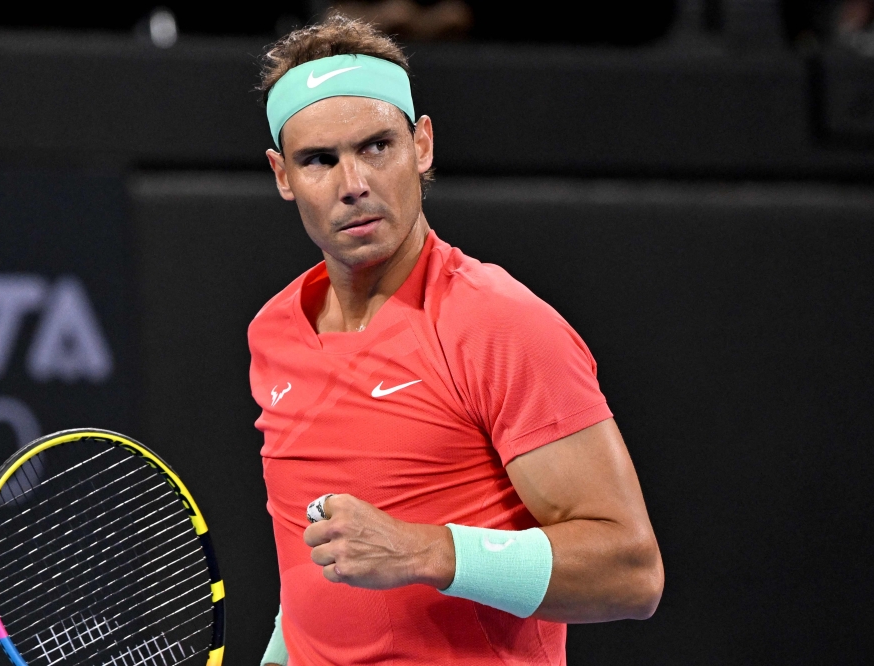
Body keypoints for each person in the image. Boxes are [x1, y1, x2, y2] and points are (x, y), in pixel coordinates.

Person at [248, 15, 663, 666]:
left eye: (376, 146)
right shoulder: (273, 332)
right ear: (282, 175)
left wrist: (426, 551)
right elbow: (314, 581)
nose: (353, 184)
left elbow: (632, 573)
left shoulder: (499, 322)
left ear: (422, 145)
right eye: (319, 160)